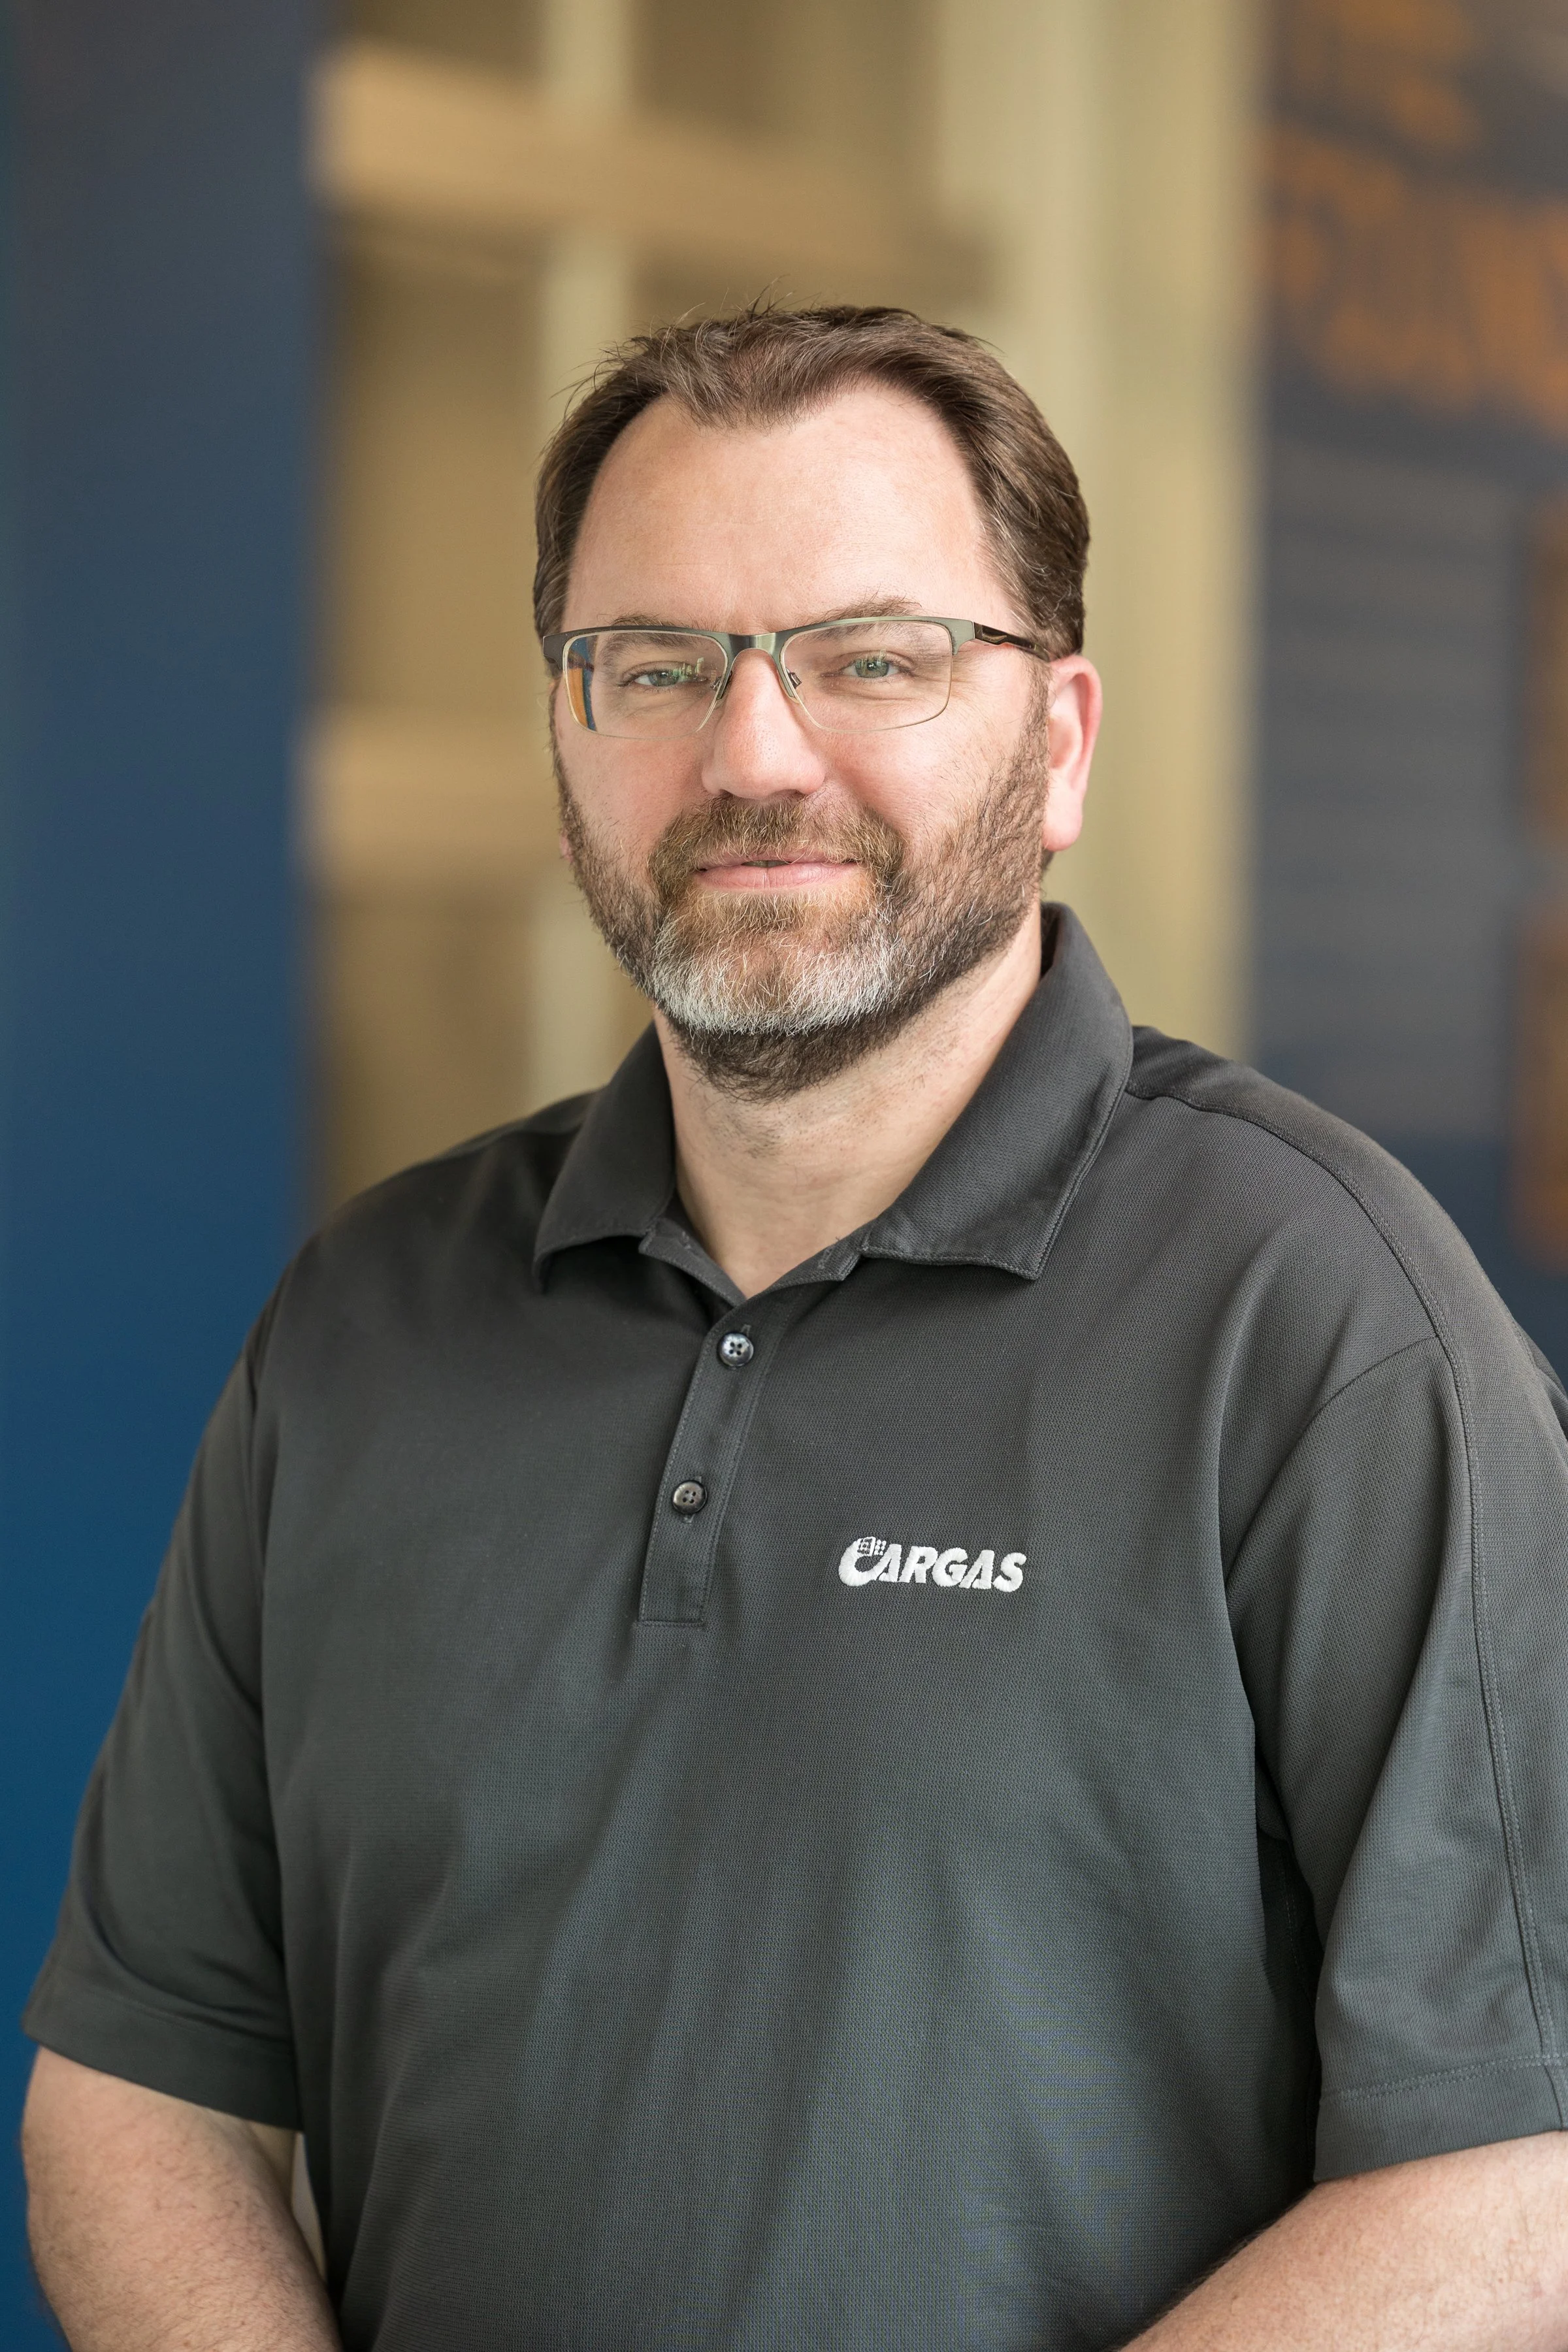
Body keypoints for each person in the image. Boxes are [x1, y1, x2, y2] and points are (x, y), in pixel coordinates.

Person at [20, 302, 1568, 2352]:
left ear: (1061, 739)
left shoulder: (1322, 1330)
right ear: (567, 725)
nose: (754, 754)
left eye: (873, 658)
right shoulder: (362, 1327)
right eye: (656, 665)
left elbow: (1517, 2180)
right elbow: (146, 2096)